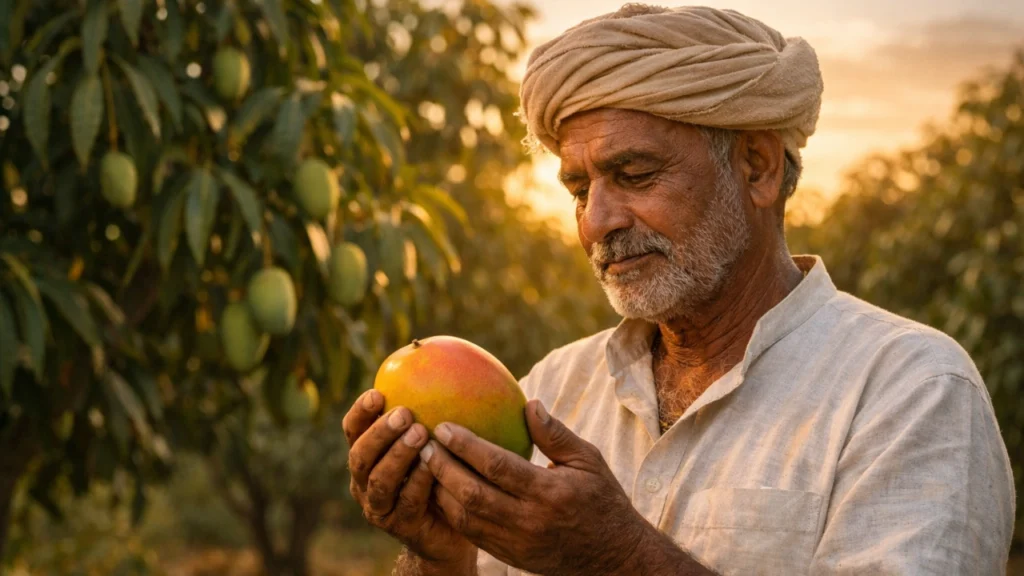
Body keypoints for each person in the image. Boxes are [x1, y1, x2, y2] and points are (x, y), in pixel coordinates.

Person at [342, 5, 1015, 575]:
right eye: (579, 190)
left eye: (633, 174)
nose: (598, 222)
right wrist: (439, 560)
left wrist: (620, 558)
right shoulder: (553, 391)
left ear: (757, 167)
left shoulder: (910, 390)